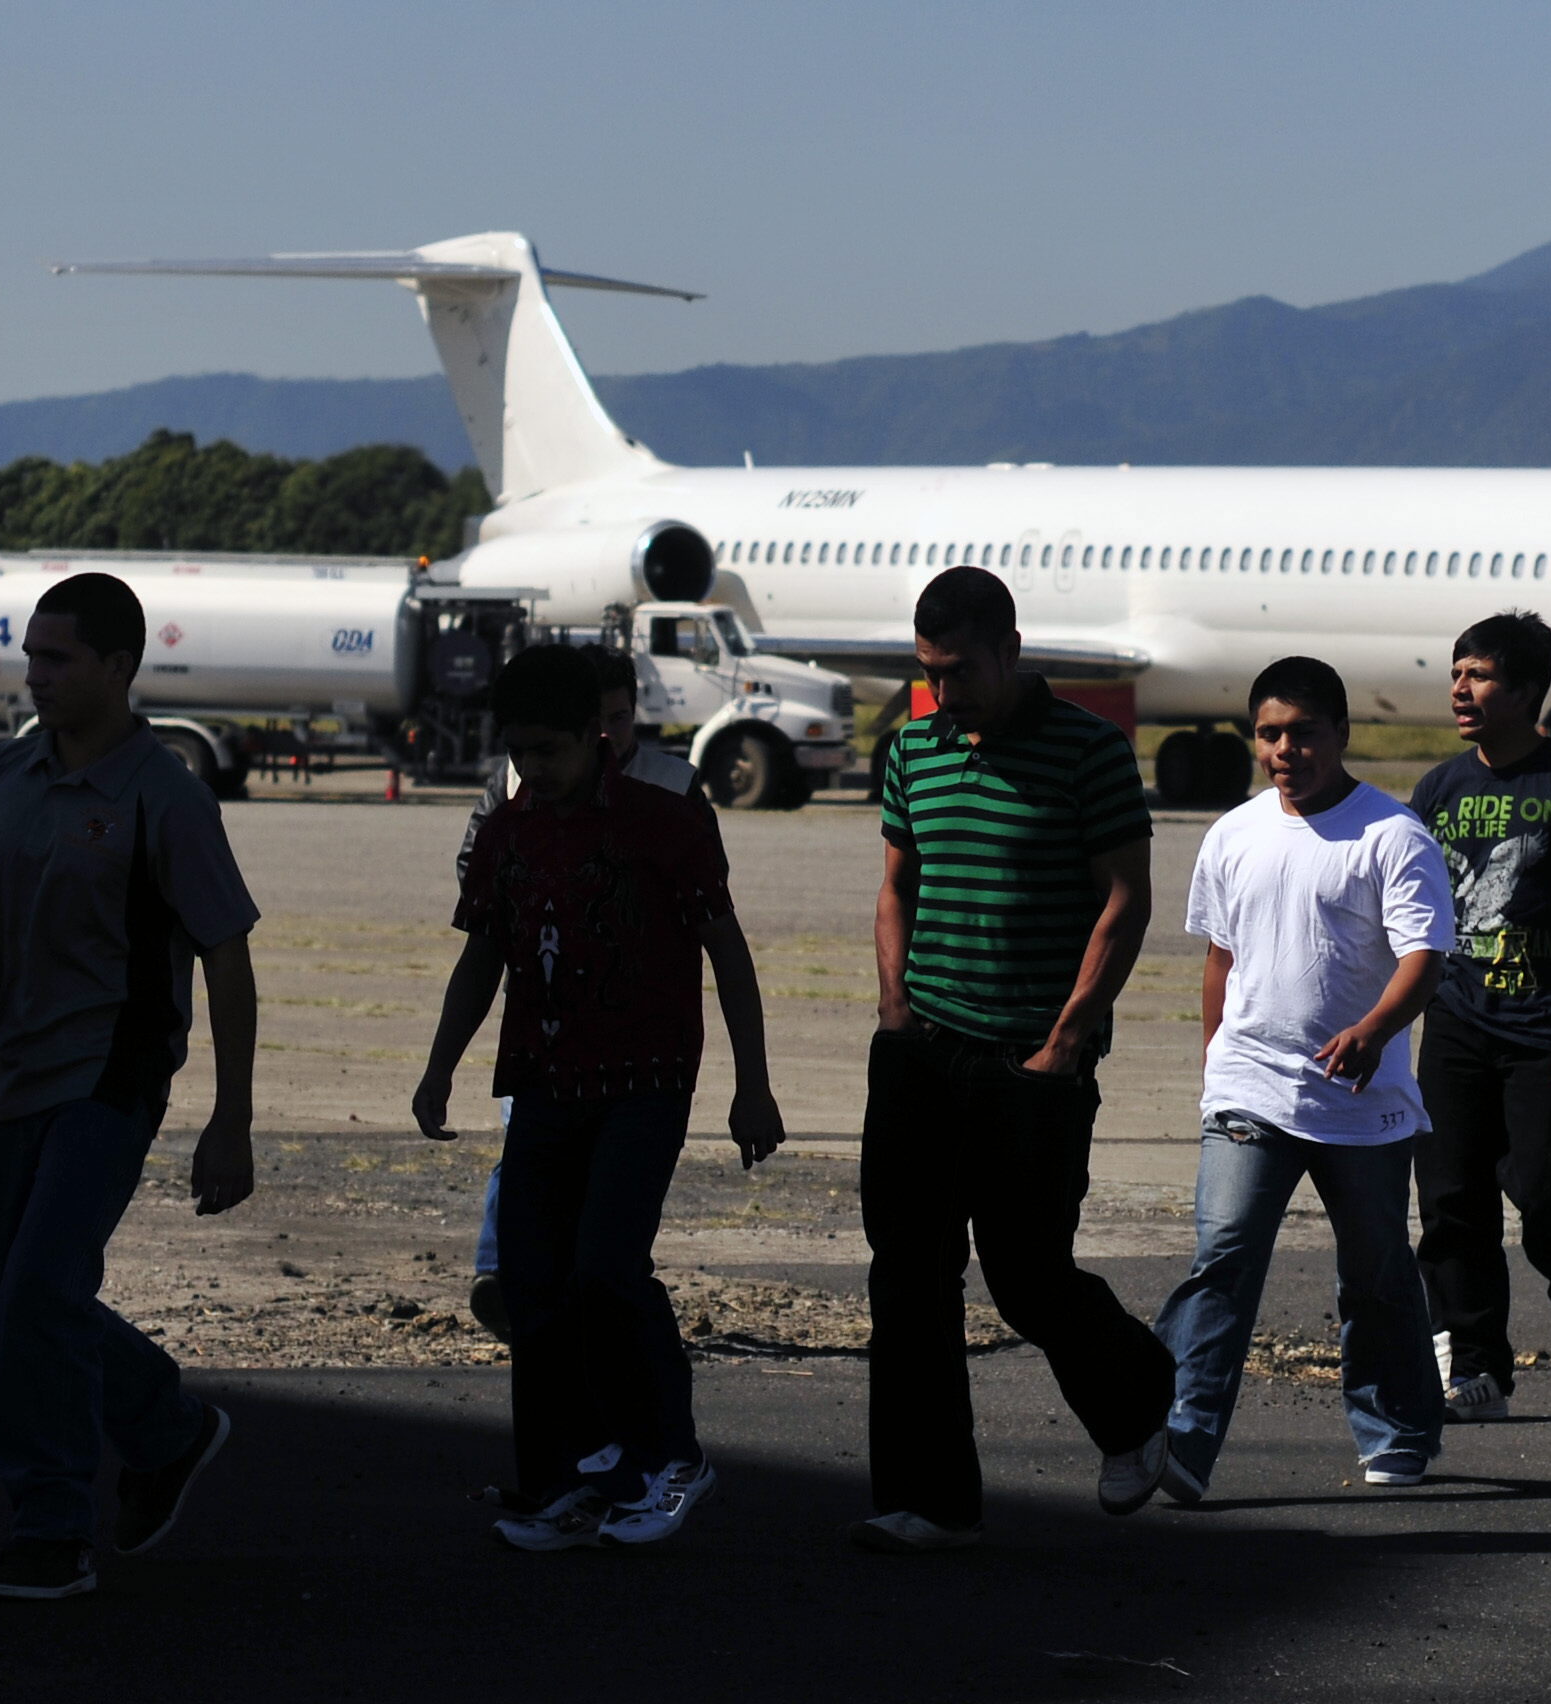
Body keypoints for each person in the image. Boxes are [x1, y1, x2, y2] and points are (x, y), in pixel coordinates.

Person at [0, 571, 259, 1603]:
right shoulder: (3, 777)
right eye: (32, 656)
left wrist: (228, 1122)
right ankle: (166, 1424)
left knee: (41, 1291)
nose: (37, 677)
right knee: (0, 1293)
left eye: (59, 659)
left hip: (108, 1077)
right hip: (7, 1072)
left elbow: (227, 959)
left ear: (120, 667)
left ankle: (50, 1523)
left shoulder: (164, 796)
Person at [413, 644, 782, 1549]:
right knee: (533, 1282)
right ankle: (562, 1481)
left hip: (644, 1082)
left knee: (608, 1268)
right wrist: (438, 1066)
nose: (534, 771)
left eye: (550, 751)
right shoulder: (508, 831)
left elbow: (726, 952)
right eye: (520, 754)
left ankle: (671, 1457)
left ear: (597, 736)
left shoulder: (666, 822)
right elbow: (482, 958)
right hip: (541, 1083)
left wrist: (754, 1086)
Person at [857, 565, 1175, 1553]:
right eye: (925, 672)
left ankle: (1134, 1398)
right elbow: (895, 887)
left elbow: (1125, 898)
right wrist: (894, 1010)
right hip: (921, 1053)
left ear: (1009, 651)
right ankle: (928, 1498)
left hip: (1031, 1062)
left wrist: (1065, 1037)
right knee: (907, 1279)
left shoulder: (1089, 753)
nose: (941, 693)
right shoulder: (913, 748)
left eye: (957, 672)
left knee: (1028, 1279)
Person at [1149, 657, 1457, 1500]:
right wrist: (1216, 1060)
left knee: (1376, 1271)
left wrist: (1374, 1030)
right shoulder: (1234, 833)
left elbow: (1423, 958)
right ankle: (1177, 1438)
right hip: (1250, 1091)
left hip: (1361, 1105)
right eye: (1270, 734)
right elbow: (1221, 955)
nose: (1286, 749)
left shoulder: (1391, 836)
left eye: (1304, 732)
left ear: (1341, 734)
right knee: (1223, 1258)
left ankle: (1394, 1429)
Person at [1406, 613, 1551, 1416]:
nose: (1462, 689)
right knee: (1450, 1201)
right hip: (1459, 1022)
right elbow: (1415, 910)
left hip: (1546, 1028)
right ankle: (1476, 1369)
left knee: (1543, 1192)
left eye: (1482, 675)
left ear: (1529, 692)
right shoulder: (1438, 788)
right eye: (1457, 672)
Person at [458, 645, 698, 1337]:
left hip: (641, 1055)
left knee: (607, 1252)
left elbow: (711, 926)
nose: (614, 735)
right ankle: (501, 1276)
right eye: (604, 719)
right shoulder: (515, 794)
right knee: (526, 1163)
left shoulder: (671, 793)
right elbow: (481, 919)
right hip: (544, 1026)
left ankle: (638, 1398)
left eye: (623, 719)